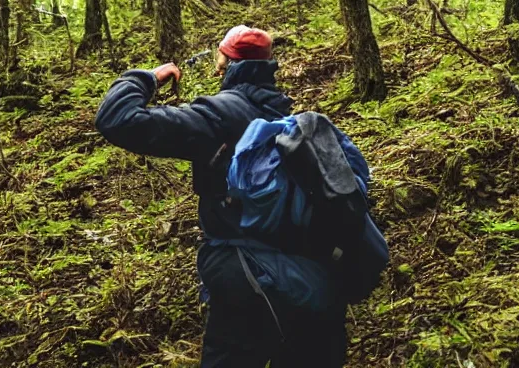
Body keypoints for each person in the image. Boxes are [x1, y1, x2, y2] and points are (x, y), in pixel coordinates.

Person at [95, 26, 347, 367]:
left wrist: (146, 78)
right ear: (268, 64)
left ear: (225, 65)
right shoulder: (284, 116)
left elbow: (117, 119)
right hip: (307, 280)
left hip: (246, 279)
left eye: (219, 58)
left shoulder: (217, 116)